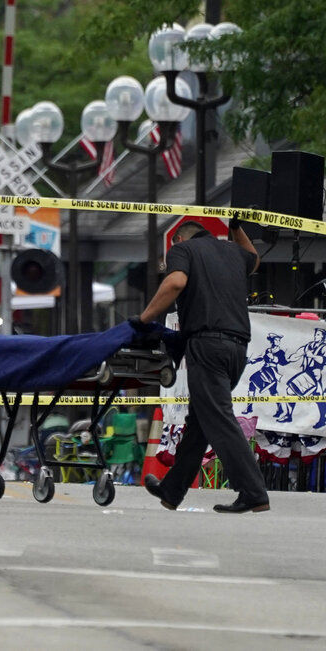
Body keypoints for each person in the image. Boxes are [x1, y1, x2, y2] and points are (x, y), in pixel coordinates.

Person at [138, 218, 270, 514]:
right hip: (237, 349)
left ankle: (253, 492)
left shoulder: (183, 250)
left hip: (207, 345)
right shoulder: (232, 251)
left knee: (219, 419)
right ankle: (172, 491)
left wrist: (144, 318)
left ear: (180, 240)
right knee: (200, 422)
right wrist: (236, 229)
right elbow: (255, 259)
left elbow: (175, 282)